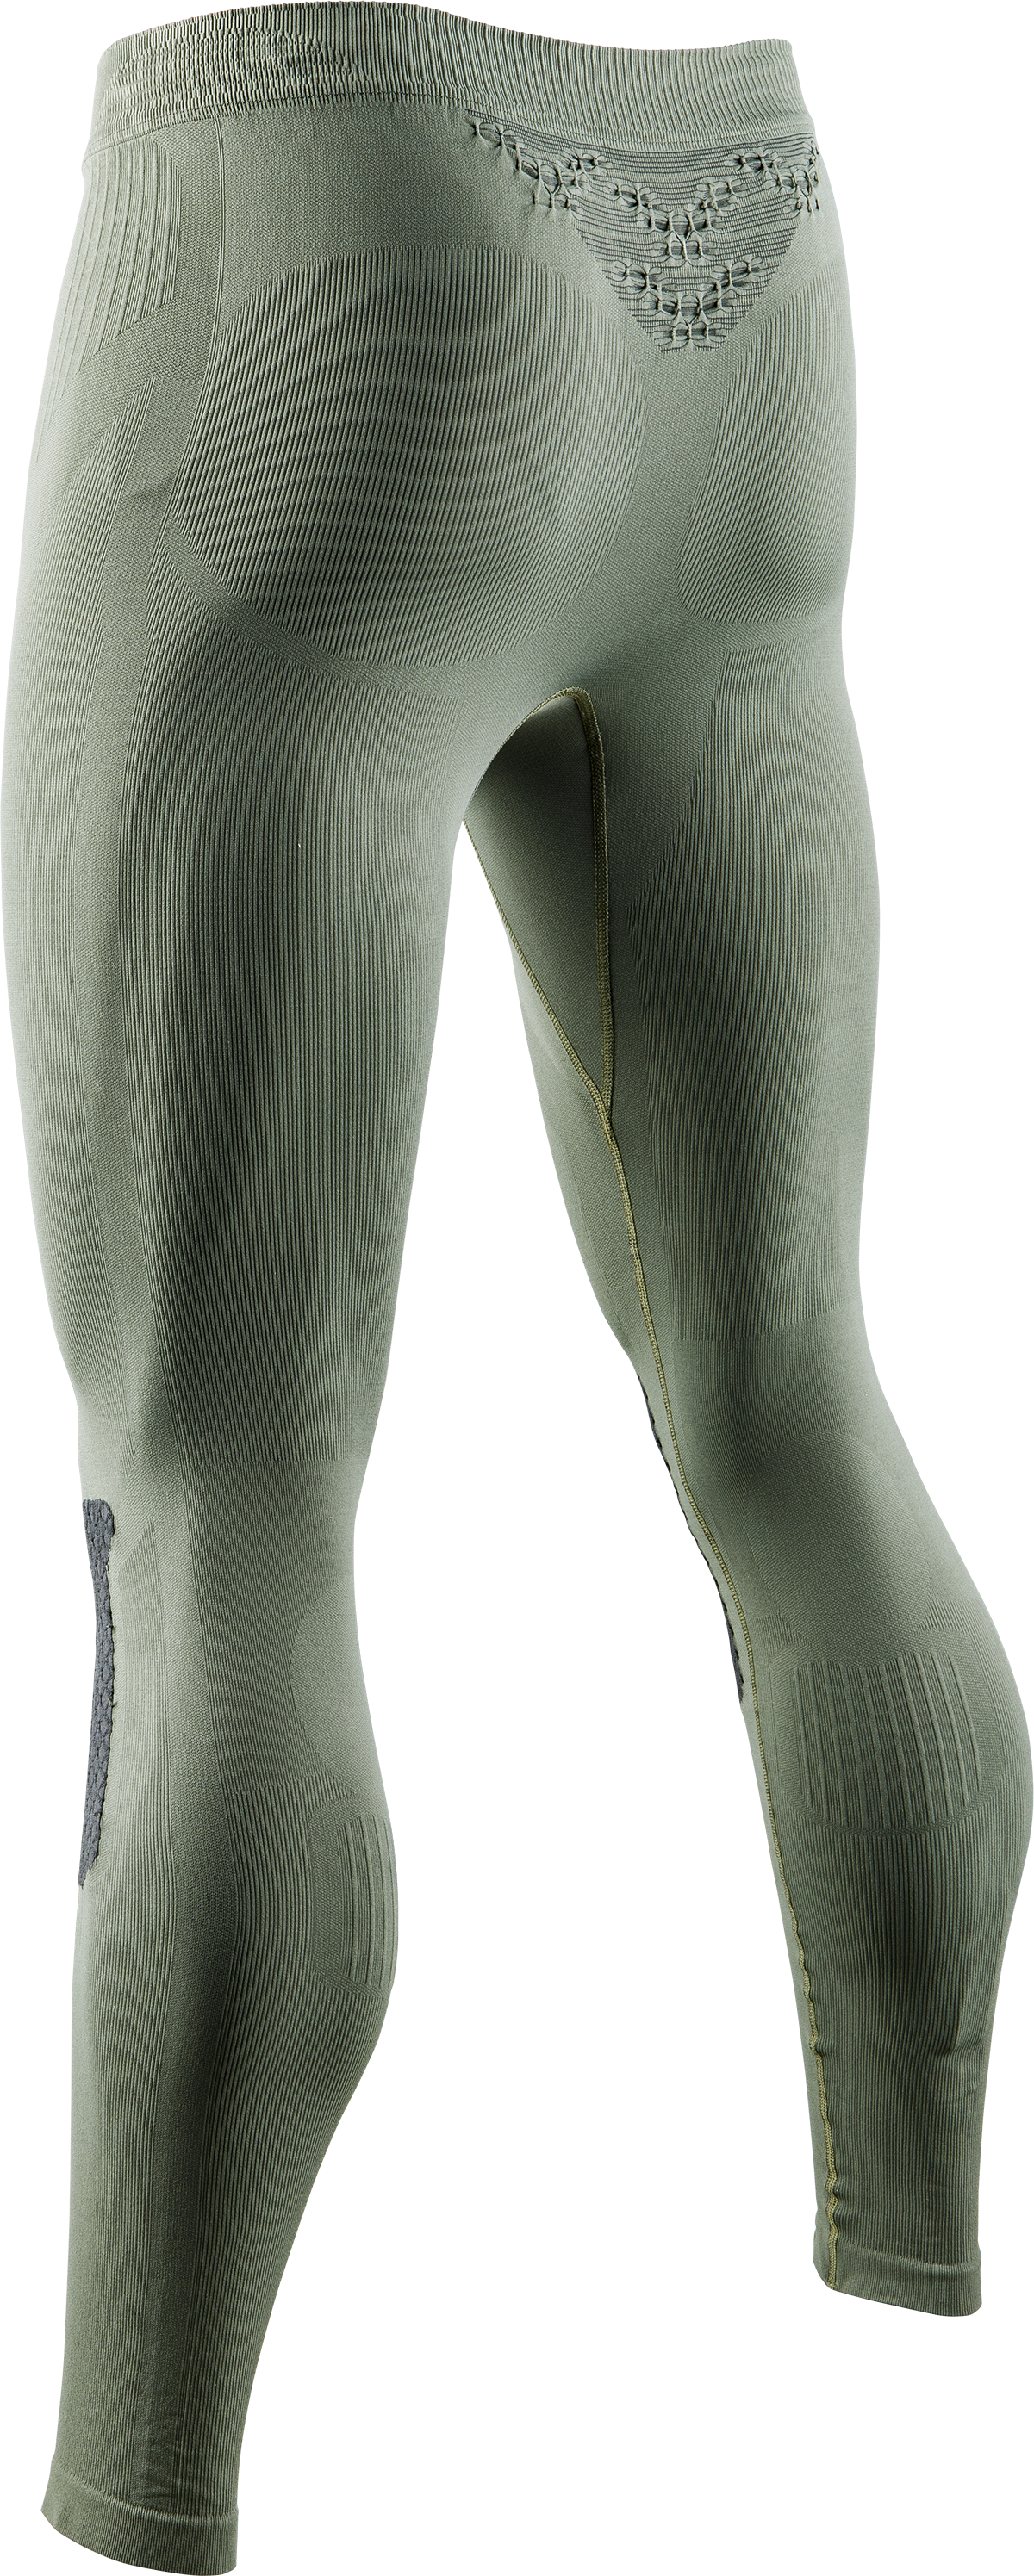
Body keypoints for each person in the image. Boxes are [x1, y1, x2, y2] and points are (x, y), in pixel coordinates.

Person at [3, 4, 1029, 2565]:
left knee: (226, 1537)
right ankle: (909, 2451)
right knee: (801, 1415)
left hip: (324, 226)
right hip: (738, 254)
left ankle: (137, 2522)